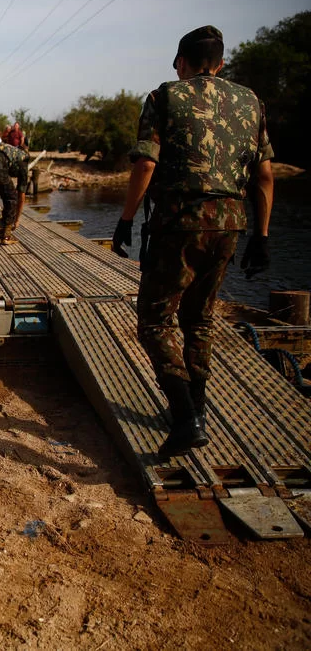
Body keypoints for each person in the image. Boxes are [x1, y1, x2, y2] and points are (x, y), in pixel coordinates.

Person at [111, 26, 274, 459]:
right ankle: (197, 408)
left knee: (154, 319)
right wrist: (261, 237)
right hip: (231, 224)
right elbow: (264, 175)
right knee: (199, 318)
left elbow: (146, 163)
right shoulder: (251, 102)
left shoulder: (164, 96)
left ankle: (185, 418)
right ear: (220, 64)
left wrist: (126, 219)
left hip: (179, 223)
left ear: (182, 61)